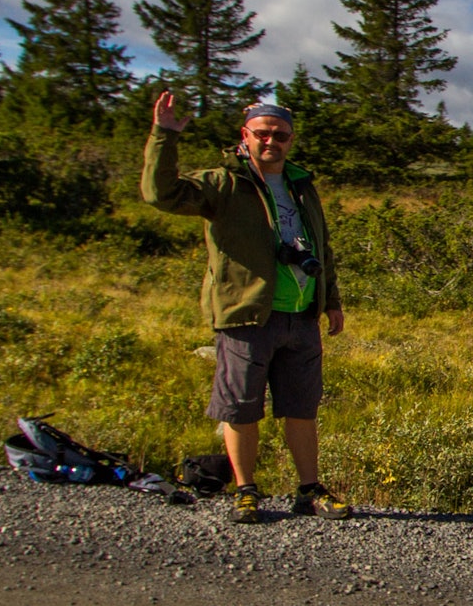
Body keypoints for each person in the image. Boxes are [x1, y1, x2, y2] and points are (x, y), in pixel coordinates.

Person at [141, 91, 350, 524]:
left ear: (290, 140)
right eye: (263, 133)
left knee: (301, 407)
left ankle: (308, 490)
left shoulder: (301, 185)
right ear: (245, 135)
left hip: (301, 314)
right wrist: (164, 135)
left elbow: (321, 245)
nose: (271, 141)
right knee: (241, 407)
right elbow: (160, 194)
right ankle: (246, 490)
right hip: (246, 314)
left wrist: (330, 300)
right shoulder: (223, 183)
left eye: (280, 135)